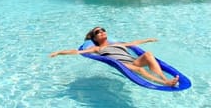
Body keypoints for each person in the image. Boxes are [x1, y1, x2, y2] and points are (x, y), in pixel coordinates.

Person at [48, 27, 179, 87]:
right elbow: (76, 51)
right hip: (122, 63)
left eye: (102, 30)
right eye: (97, 32)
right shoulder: (97, 48)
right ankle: (165, 83)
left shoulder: (117, 43)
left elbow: (133, 44)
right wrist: (59, 52)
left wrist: (148, 40)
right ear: (94, 38)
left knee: (149, 54)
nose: (101, 32)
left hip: (133, 61)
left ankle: (163, 77)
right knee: (140, 70)